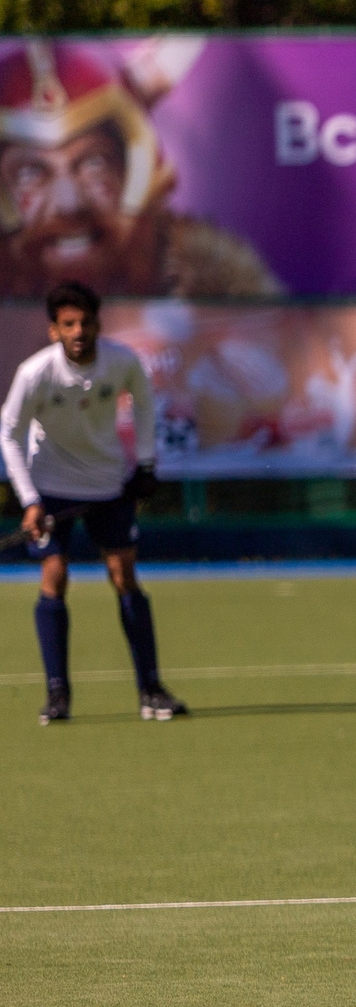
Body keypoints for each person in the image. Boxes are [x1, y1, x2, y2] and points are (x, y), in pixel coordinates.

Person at [0, 280, 184, 725]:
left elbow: (144, 404)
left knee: (124, 575)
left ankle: (151, 690)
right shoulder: (35, 373)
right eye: (68, 324)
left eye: (85, 322)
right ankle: (58, 694)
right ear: (54, 331)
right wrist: (29, 501)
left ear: (98, 324)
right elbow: (9, 433)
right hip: (50, 487)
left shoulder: (122, 361)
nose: (78, 331)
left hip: (107, 485)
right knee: (55, 575)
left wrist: (145, 464)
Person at [0, 39, 282, 301]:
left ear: (140, 174)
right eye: (29, 174)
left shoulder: (227, 298)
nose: (69, 204)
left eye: (94, 163)